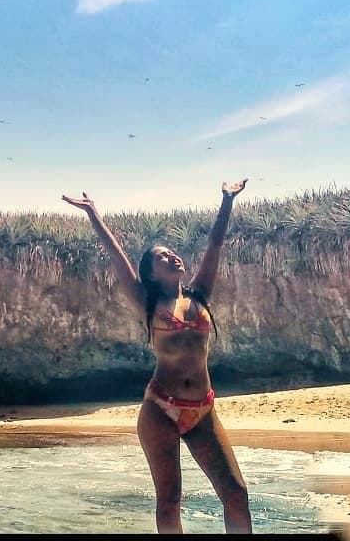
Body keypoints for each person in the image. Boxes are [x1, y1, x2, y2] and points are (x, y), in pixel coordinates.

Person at [61, 180, 252, 535]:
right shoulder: (147, 304)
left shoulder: (199, 296)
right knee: (169, 500)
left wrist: (226, 199)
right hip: (160, 409)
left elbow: (215, 244)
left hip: (203, 409)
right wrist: (92, 213)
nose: (172, 257)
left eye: (173, 253)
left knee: (236, 494)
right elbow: (117, 256)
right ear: (151, 272)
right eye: (162, 257)